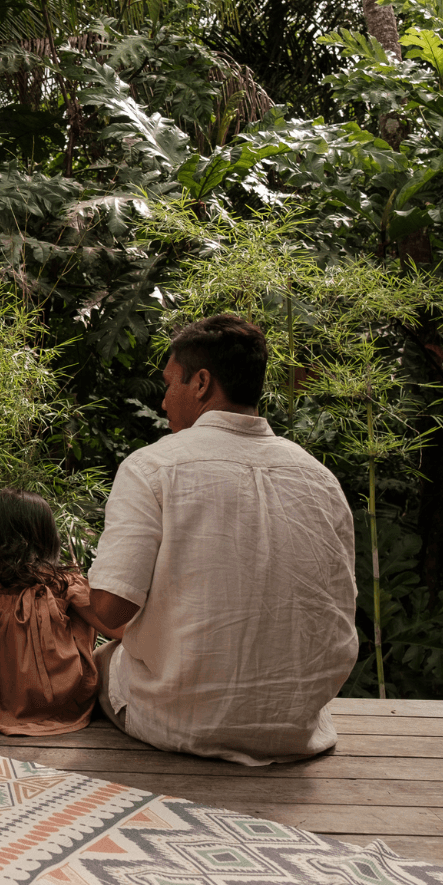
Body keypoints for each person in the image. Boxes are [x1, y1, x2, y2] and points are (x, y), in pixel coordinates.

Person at [86, 314, 358, 766]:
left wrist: (77, 597)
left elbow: (112, 609)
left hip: (183, 721)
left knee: (96, 663)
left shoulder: (152, 467)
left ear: (201, 383)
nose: (164, 401)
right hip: (295, 726)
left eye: (171, 384)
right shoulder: (320, 479)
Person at [0, 488, 112, 736]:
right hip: (59, 705)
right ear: (48, 534)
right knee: (112, 650)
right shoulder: (63, 582)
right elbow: (116, 627)